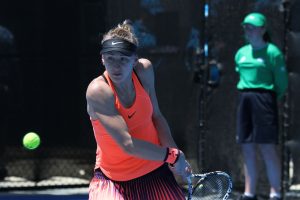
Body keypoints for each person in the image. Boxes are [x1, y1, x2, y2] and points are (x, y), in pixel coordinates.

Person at [86, 20, 192, 200]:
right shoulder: (98, 91)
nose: (116, 66)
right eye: (110, 58)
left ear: (134, 60)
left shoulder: (144, 71)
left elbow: (156, 116)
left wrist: (174, 154)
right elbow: (128, 144)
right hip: (113, 180)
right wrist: (173, 156)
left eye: (123, 59)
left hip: (155, 171)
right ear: (102, 58)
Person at [235, 13, 288, 200]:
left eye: (253, 26)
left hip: (265, 101)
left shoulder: (273, 53)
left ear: (263, 29)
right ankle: (249, 192)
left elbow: (281, 83)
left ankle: (275, 192)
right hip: (245, 101)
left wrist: (269, 98)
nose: (248, 30)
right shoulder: (241, 53)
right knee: (247, 147)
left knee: (267, 147)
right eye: (246, 26)